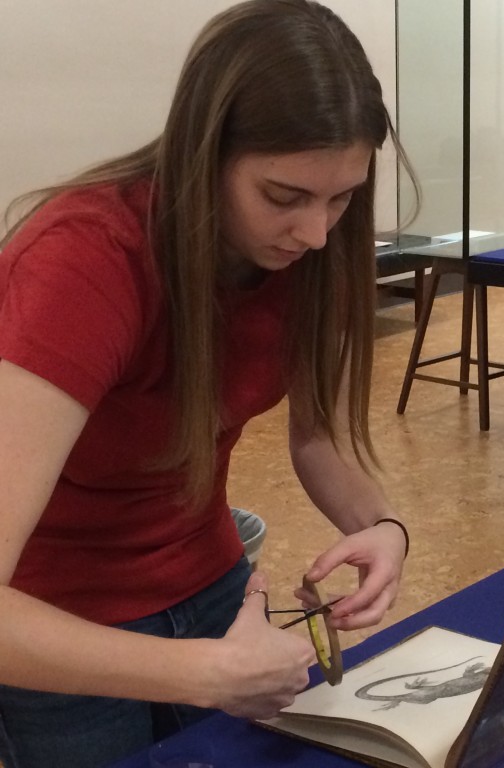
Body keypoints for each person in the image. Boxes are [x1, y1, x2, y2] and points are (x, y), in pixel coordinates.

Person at [0, 2, 415, 766]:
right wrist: (201, 673)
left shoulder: (310, 253)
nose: (317, 233)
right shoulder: (83, 262)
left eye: (343, 198)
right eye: (284, 197)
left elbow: (317, 431)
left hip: (213, 586)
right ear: (204, 154)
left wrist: (384, 525)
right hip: (64, 628)